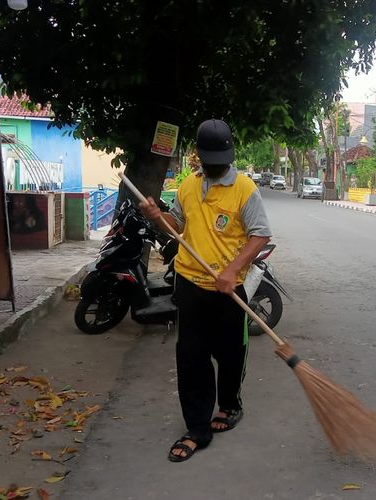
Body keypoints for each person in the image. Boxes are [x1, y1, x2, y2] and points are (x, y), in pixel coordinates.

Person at [139, 118, 272, 462]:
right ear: (198, 156)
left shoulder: (245, 189)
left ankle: (230, 405)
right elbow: (177, 227)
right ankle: (197, 428)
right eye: (211, 159)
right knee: (191, 358)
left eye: (222, 158)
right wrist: (158, 216)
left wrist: (231, 271)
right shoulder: (187, 186)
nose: (217, 165)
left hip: (228, 290)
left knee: (230, 356)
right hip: (190, 285)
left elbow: (260, 235)